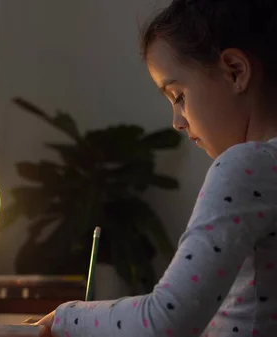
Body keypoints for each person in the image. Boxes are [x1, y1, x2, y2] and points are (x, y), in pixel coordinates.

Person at [37, 1, 277, 336]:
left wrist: (66, 318)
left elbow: (165, 321)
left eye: (178, 96)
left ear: (235, 71)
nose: (177, 122)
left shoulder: (244, 166)